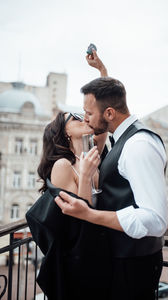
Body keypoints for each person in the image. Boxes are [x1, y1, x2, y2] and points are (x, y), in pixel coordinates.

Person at [55, 65, 168, 299]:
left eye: (88, 112)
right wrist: (102, 72)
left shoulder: (139, 146)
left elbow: (155, 220)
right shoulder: (122, 139)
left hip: (133, 266)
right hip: (122, 260)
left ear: (108, 114)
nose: (84, 118)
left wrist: (88, 214)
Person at [26, 51, 109, 300]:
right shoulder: (63, 165)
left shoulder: (90, 155)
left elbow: (103, 120)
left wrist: (102, 72)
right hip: (80, 256)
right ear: (64, 133)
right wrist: (84, 178)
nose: (80, 117)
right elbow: (76, 219)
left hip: (98, 247)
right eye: (71, 118)